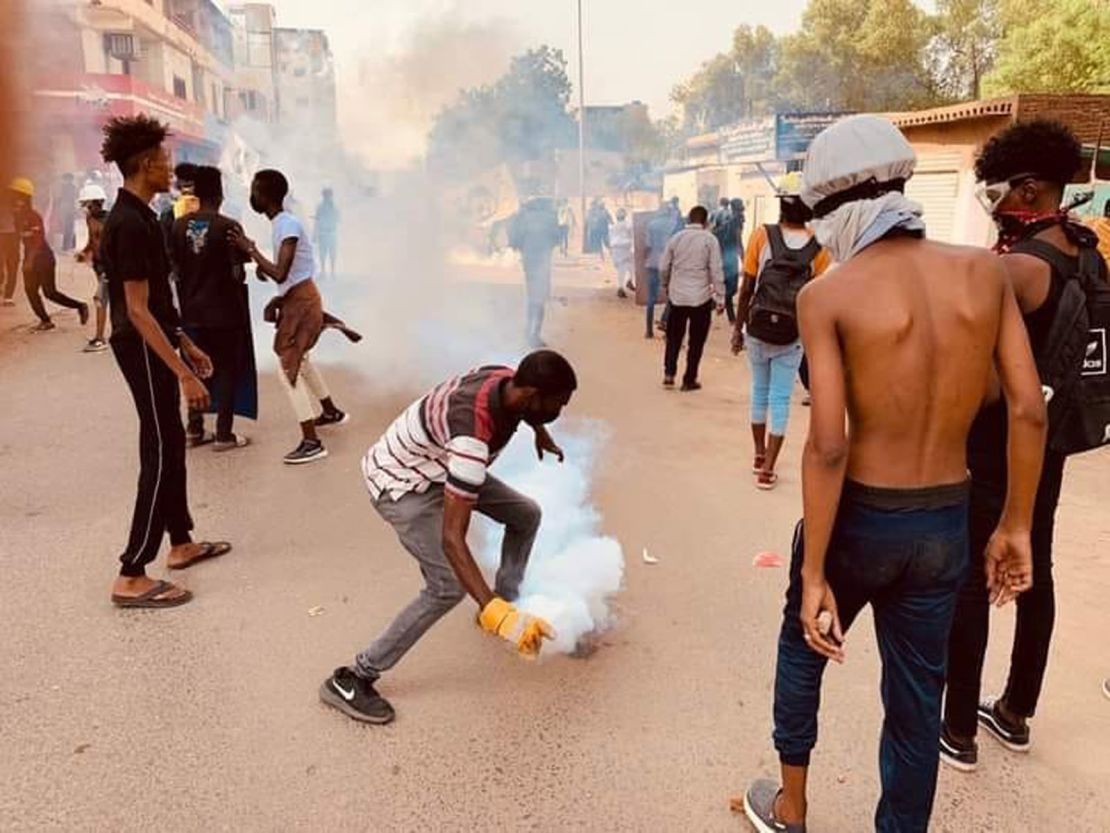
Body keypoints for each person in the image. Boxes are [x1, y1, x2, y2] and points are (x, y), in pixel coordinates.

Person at [738, 115, 1046, 833]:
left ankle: (792, 807)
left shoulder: (830, 295)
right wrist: (1017, 525)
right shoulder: (983, 273)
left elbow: (830, 447)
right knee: (917, 695)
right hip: (946, 518)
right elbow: (1028, 410)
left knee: (802, 647)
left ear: (838, 206)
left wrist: (815, 570)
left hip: (860, 519)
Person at [941, 120, 1109, 771]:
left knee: (971, 580)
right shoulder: (1084, 250)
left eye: (999, 187)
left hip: (994, 448)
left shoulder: (1017, 267)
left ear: (1031, 189)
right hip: (1052, 443)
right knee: (1034, 566)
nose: (991, 197)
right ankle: (1016, 710)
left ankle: (956, 729)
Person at [321, 351, 577, 724]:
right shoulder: (472, 437)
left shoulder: (506, 378)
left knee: (526, 515)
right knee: (447, 586)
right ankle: (354, 676)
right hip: (401, 483)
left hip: (440, 465)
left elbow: (521, 410)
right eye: (557, 404)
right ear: (532, 395)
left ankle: (501, 604)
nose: (561, 410)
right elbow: (452, 539)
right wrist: (490, 609)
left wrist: (540, 430)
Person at [99, 114, 232, 609]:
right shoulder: (129, 223)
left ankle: (180, 542)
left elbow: (156, 302)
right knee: (159, 447)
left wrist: (186, 343)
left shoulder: (145, 216)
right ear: (145, 164)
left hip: (154, 338)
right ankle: (131, 572)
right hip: (139, 345)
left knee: (171, 441)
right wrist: (182, 374)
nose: (170, 166)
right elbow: (135, 311)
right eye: (164, 159)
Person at [230, 168, 348, 465]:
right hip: (298, 299)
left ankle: (312, 441)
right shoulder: (282, 223)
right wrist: (263, 266)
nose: (252, 196)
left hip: (302, 302)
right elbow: (284, 271)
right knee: (302, 360)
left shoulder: (288, 224)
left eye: (255, 190)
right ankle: (330, 411)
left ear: (265, 195)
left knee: (288, 368)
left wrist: (251, 250)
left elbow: (281, 271)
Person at [732, 173, 832, 490]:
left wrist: (738, 329)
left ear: (781, 205)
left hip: (758, 330)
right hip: (792, 336)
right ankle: (769, 469)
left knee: (759, 393)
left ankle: (758, 454)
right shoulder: (820, 247)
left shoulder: (762, 235)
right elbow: (815, 299)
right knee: (780, 399)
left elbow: (747, 286)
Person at [171, 165, 255, 452]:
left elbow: (174, 270)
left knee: (196, 369)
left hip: (191, 312)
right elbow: (238, 274)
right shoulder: (229, 227)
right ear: (219, 194)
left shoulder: (179, 226)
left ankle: (194, 430)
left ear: (195, 194)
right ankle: (223, 434)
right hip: (225, 314)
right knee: (227, 369)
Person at [659, 205, 725, 391]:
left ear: (688, 219)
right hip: (701, 298)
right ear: (705, 221)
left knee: (673, 337)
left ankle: (669, 373)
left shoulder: (676, 238)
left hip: (677, 296)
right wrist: (720, 297)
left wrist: (666, 284)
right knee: (696, 341)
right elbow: (717, 270)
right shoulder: (710, 240)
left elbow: (664, 267)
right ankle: (689, 379)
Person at [10, 177, 89, 333]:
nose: (14, 200)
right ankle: (45, 321)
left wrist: (29, 261)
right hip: (30, 258)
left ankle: (80, 306)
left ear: (25, 198)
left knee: (50, 293)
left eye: (17, 196)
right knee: (30, 290)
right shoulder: (17, 217)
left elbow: (38, 242)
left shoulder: (34, 216)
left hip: (44, 258)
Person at [508, 196, 561, 347]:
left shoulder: (521, 217)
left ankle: (527, 331)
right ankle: (535, 334)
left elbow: (514, 240)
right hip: (543, 260)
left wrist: (524, 248)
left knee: (532, 296)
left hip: (528, 260)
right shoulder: (550, 217)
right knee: (540, 298)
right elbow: (556, 238)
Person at [76, 182, 110, 352]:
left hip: (109, 267)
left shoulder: (110, 221)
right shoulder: (90, 219)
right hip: (99, 266)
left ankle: (100, 338)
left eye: (87, 204)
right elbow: (92, 242)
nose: (86, 208)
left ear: (97, 203)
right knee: (105, 300)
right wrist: (84, 252)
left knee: (100, 300)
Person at [643, 205, 677, 339]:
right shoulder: (673, 224)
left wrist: (644, 259)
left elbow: (648, 245)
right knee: (672, 297)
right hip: (668, 264)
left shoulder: (651, 224)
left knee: (651, 298)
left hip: (652, 262)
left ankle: (648, 331)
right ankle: (665, 322)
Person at [313, 187, 339, 279]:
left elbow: (337, 219)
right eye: (326, 195)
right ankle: (324, 271)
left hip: (331, 232)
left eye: (328, 195)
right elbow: (317, 221)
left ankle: (332, 272)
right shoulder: (321, 207)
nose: (327, 197)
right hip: (324, 232)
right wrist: (315, 234)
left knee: (332, 253)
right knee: (323, 253)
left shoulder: (334, 206)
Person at [1, 186, 21, 306]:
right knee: (10, 266)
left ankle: (8, 295)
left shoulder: (19, 207)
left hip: (13, 237)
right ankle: (7, 294)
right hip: (4, 236)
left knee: (12, 265)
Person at [611, 207, 634, 297]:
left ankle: (629, 282)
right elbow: (631, 235)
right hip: (624, 248)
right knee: (626, 267)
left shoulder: (613, 226)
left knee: (625, 267)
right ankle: (621, 287)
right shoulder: (628, 225)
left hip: (616, 249)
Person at [55, 173, 78, 253]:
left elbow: (66, 198)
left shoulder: (67, 188)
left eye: (65, 179)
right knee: (70, 227)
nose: (64, 181)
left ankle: (67, 246)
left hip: (68, 208)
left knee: (68, 227)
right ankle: (71, 245)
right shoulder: (72, 188)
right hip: (69, 208)